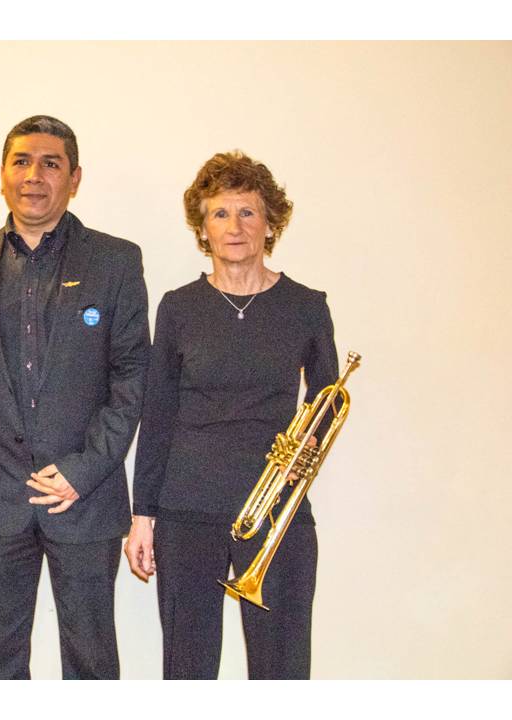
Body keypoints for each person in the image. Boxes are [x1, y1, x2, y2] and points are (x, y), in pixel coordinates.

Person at [0, 115, 150, 679]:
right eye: (22, 162)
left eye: (51, 164)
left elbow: (131, 379)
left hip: (84, 497)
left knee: (91, 664)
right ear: (3, 174)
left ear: (74, 179)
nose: (34, 175)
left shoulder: (116, 260)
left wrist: (84, 469)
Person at [125, 151, 339, 679]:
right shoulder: (178, 307)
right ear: (203, 228)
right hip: (186, 511)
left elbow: (328, 400)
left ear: (270, 224)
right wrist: (142, 516)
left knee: (282, 671)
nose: (235, 226)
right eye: (220, 213)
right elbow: (157, 416)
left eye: (248, 212)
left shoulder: (307, 305)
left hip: (276, 510)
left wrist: (311, 442)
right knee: (187, 671)